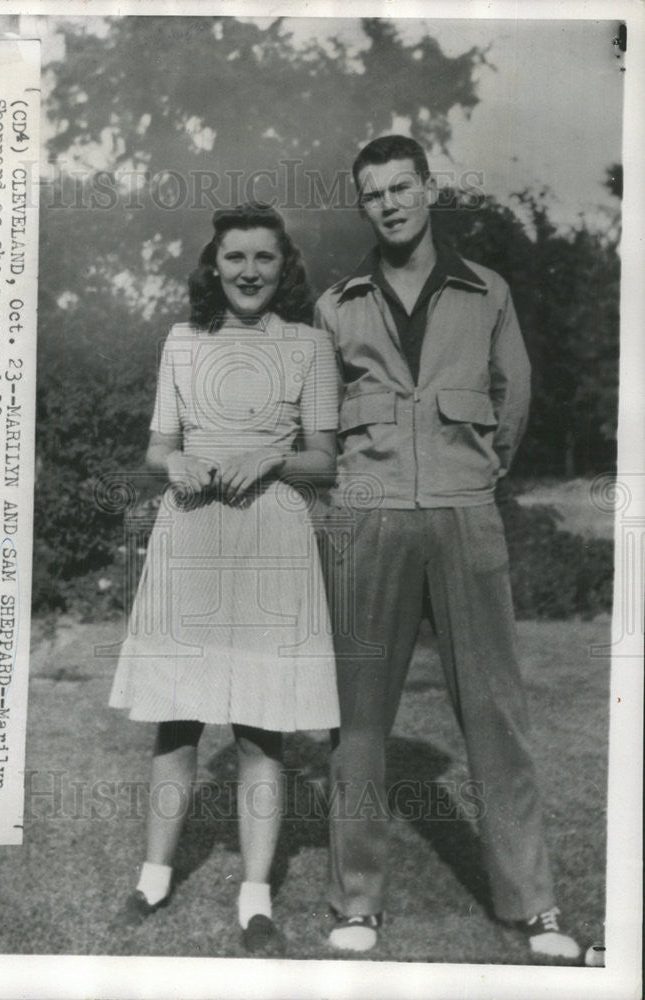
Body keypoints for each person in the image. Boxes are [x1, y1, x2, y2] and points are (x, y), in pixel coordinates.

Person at [314, 135, 581, 960]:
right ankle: (356, 903)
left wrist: (474, 474)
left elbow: (515, 398)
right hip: (370, 519)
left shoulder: (486, 290)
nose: (390, 203)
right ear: (361, 205)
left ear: (428, 189)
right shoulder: (336, 304)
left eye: (403, 186)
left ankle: (532, 905)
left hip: (466, 517)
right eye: (373, 193)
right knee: (356, 722)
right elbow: (318, 425)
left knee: (496, 715)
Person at [109, 203, 341, 954]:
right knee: (176, 720)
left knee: (259, 728)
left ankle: (254, 898)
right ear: (214, 265)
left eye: (262, 259)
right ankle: (152, 876)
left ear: (284, 267)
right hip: (191, 533)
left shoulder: (309, 345)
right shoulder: (182, 341)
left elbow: (324, 459)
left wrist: (271, 458)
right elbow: (156, 449)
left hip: (270, 537)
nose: (247, 272)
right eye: (234, 258)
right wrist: (172, 462)